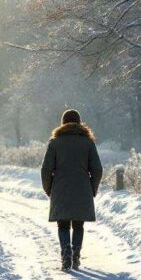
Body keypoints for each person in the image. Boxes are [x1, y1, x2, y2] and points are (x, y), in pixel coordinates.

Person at [41, 109, 103, 271]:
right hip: (82, 188)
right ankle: (76, 255)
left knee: (62, 225)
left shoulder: (55, 142)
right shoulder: (88, 142)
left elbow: (46, 169)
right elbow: (97, 169)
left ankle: (65, 253)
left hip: (60, 188)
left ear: (63, 123)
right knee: (78, 225)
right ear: (79, 122)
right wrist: (92, 188)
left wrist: (49, 189)